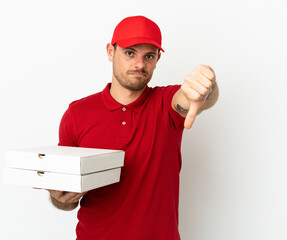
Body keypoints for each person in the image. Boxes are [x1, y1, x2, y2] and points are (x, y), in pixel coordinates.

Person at [47, 15, 219, 240]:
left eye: (149, 56)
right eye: (130, 53)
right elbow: (65, 199)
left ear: (157, 59)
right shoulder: (77, 114)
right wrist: (61, 198)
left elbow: (190, 99)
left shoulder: (166, 103)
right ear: (111, 52)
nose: (140, 64)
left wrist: (206, 88)